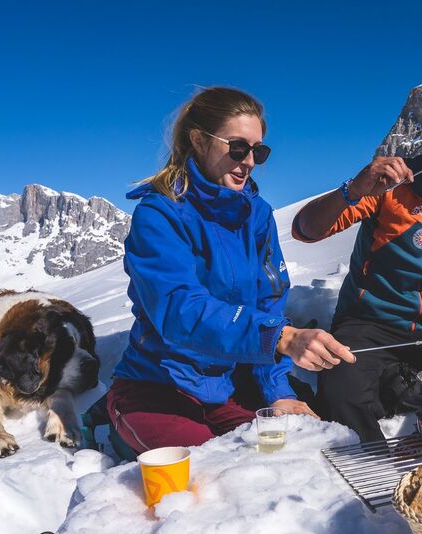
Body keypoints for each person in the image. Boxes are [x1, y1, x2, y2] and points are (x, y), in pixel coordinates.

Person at [107, 87, 355, 454]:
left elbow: (269, 305)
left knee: (286, 453)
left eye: (259, 151)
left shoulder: (257, 215)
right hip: (157, 384)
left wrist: (278, 392)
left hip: (225, 385)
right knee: (210, 471)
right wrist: (280, 337)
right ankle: (117, 426)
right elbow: (180, 311)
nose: (250, 161)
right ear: (198, 140)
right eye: (238, 148)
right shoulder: (159, 214)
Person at [291, 85, 422, 442]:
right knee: (341, 393)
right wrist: (353, 191)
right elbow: (304, 230)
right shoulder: (390, 188)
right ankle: (378, 449)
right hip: (365, 326)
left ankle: (399, 385)